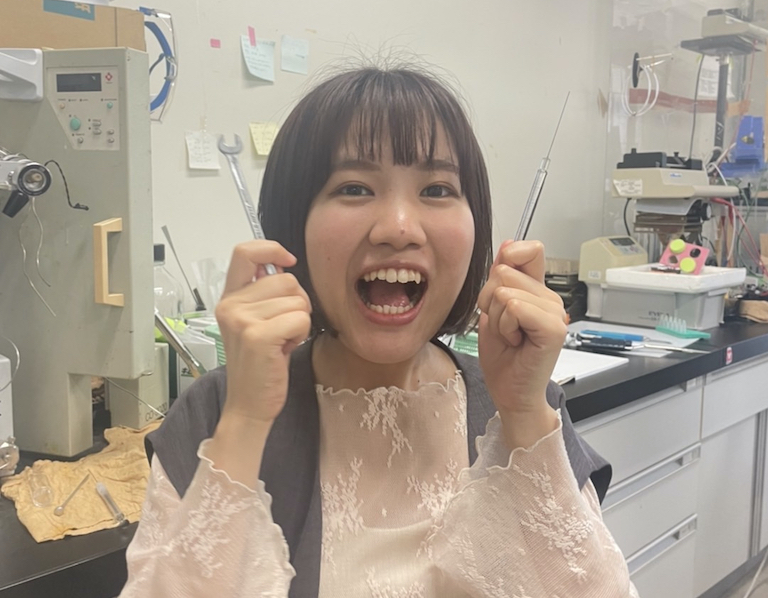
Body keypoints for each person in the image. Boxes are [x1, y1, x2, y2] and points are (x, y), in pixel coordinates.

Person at [119, 66, 638, 597]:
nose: (398, 228)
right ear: (293, 225)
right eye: (354, 188)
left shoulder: (525, 406)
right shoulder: (217, 412)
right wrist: (246, 423)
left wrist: (525, 414)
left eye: (437, 189)